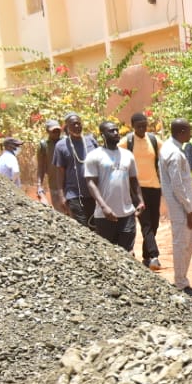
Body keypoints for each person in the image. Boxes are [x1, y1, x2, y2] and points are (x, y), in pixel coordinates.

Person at [84, 120, 144, 251]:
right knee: (108, 254)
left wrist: (140, 201)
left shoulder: (128, 155)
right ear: (102, 135)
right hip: (105, 216)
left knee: (127, 252)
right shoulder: (94, 156)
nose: (116, 133)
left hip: (127, 214)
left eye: (117, 130)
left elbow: (134, 180)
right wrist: (104, 207)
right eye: (111, 131)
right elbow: (90, 183)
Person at [159, 118, 192, 297]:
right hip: (180, 206)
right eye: (189, 131)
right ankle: (181, 284)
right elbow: (177, 185)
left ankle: (182, 280)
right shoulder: (174, 153)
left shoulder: (169, 148)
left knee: (187, 243)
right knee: (182, 244)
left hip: (179, 205)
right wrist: (189, 208)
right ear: (182, 132)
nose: (191, 135)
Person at [120, 112, 163, 269]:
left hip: (155, 187)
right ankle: (154, 255)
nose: (142, 129)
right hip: (137, 189)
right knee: (146, 223)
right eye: (139, 126)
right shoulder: (127, 142)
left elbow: (165, 154)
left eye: (144, 125)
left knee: (155, 223)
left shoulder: (153, 140)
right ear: (133, 127)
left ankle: (146, 258)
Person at [53, 113, 98, 226]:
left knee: (96, 227)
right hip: (74, 194)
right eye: (73, 124)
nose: (77, 126)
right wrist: (61, 195)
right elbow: (60, 172)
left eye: (79, 123)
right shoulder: (61, 146)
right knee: (83, 227)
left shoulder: (91, 141)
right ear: (67, 127)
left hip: (94, 194)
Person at [35, 120, 64, 210]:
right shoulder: (44, 146)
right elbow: (41, 167)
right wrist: (39, 186)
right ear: (47, 131)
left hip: (68, 185)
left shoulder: (66, 142)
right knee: (60, 212)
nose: (56, 133)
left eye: (58, 130)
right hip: (54, 185)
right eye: (53, 131)